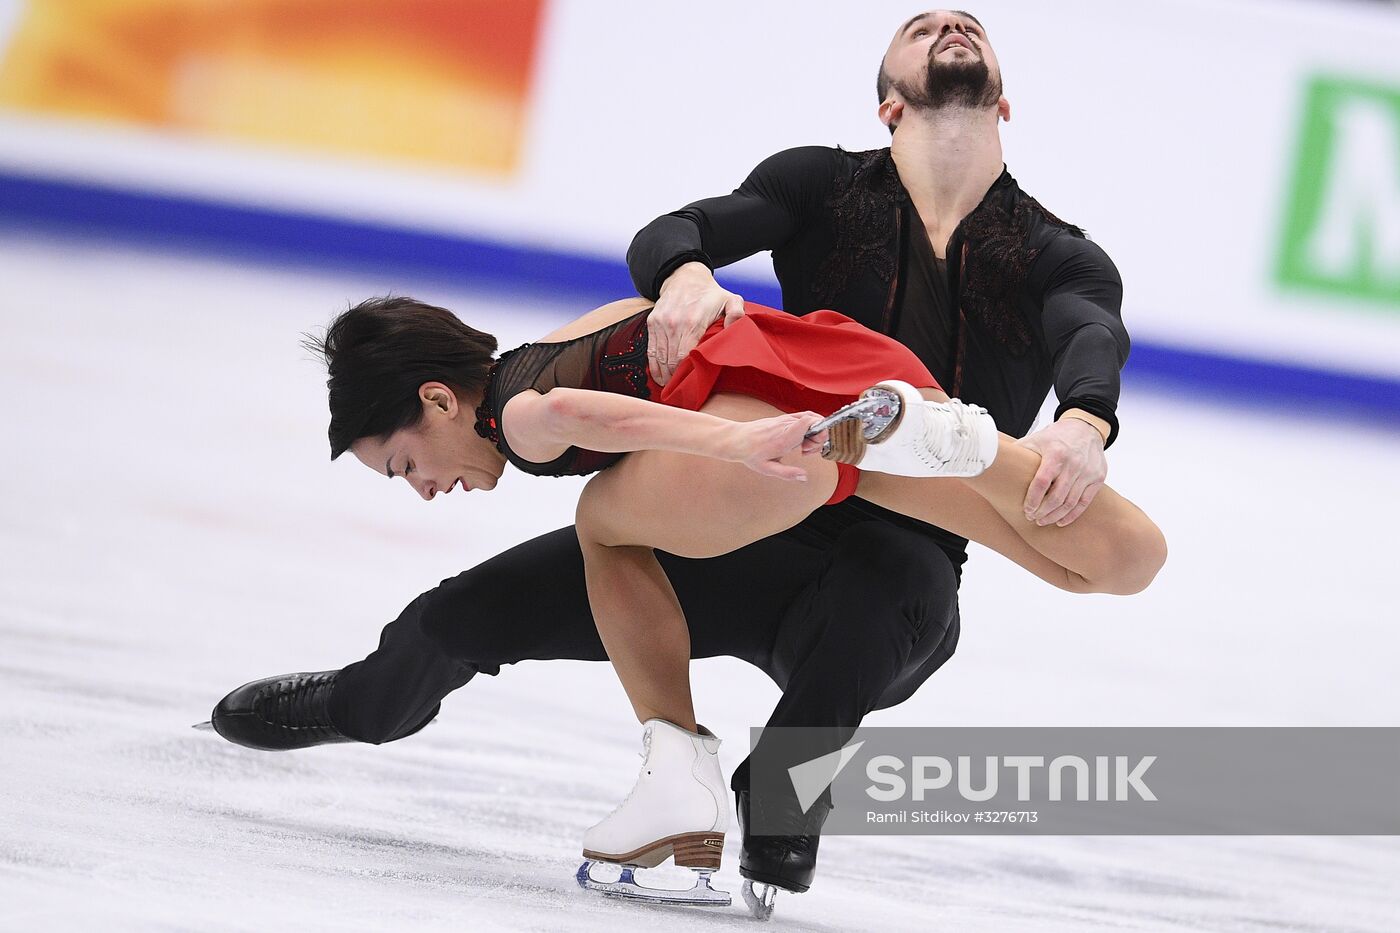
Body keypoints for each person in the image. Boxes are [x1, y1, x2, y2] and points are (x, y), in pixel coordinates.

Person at [210, 8, 1134, 899]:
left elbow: (1091, 329)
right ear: (888, 101)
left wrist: (1085, 420)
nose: (951, 25)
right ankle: (353, 703)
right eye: (920, 26)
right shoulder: (820, 188)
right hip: (736, 503)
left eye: (968, 26)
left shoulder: (1054, 254)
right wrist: (688, 274)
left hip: (896, 550)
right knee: (465, 611)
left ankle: (771, 790)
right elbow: (674, 233)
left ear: (1002, 103)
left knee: (895, 596)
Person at [317, 291, 1162, 877]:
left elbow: (584, 419)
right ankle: (974, 445)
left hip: (761, 443)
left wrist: (729, 445)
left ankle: (675, 767)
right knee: (1110, 565)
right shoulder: (567, 335)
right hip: (827, 391)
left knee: (601, 527)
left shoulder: (519, 414)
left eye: (403, 465)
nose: (425, 486)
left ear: (437, 400)